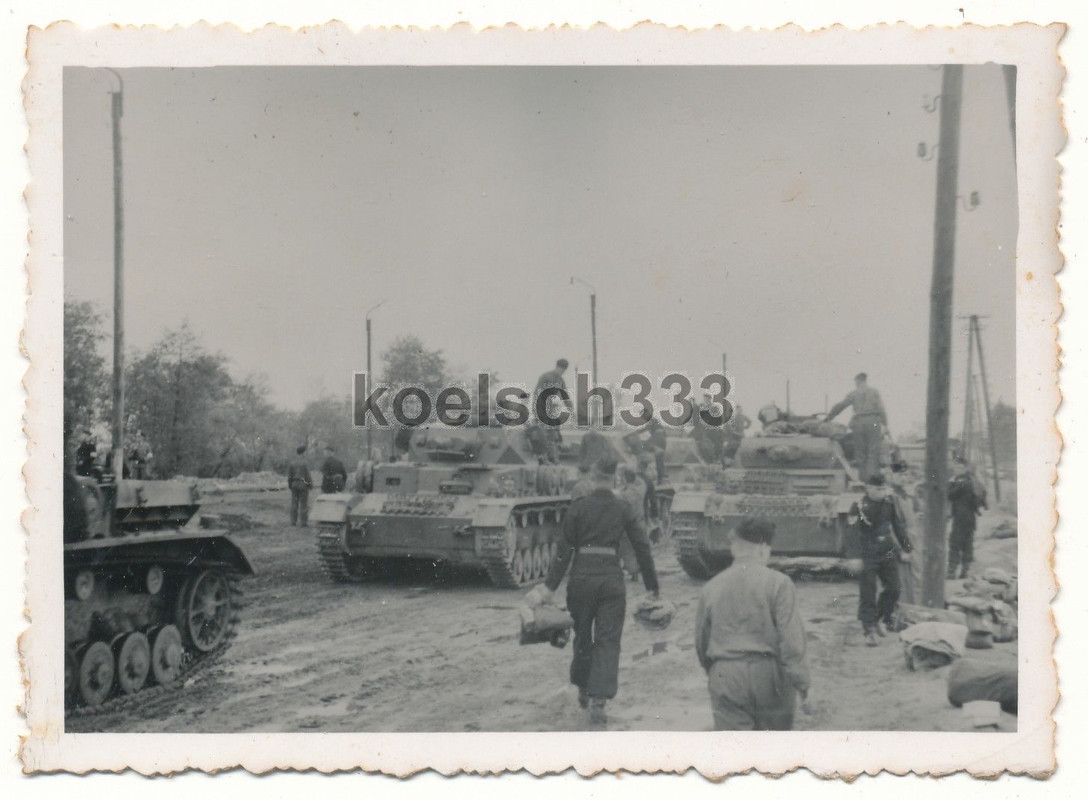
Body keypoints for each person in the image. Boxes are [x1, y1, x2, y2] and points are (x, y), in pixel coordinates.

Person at [528, 455, 660, 725]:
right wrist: (652, 588)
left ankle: (582, 689)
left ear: (592, 477)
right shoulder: (624, 508)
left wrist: (549, 588)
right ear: (614, 480)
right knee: (608, 639)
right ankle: (600, 699)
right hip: (611, 579)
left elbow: (563, 553)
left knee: (582, 636)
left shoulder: (578, 508)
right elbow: (643, 548)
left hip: (581, 579)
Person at [694, 516, 811, 731]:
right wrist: (803, 684)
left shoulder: (712, 586)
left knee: (736, 756)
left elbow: (701, 641)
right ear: (763, 548)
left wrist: (716, 672)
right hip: (770, 677)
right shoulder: (779, 583)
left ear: (734, 549)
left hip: (725, 673)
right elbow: (791, 641)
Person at [849, 474, 914, 646]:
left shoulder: (889, 503)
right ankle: (868, 629)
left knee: (894, 588)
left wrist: (907, 548)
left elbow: (898, 526)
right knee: (868, 592)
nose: (882, 492)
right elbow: (852, 533)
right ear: (868, 488)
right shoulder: (858, 506)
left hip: (887, 550)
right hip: (867, 551)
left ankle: (878, 618)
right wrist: (854, 557)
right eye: (878, 489)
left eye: (884, 488)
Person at [826, 372, 888, 481]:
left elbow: (841, 406)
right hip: (873, 421)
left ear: (858, 381)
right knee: (873, 451)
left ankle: (862, 481)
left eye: (856, 381)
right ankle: (872, 481)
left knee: (860, 453)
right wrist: (885, 424)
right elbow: (881, 409)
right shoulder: (874, 392)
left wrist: (829, 418)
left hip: (858, 422)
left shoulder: (854, 393)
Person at [947, 457, 987, 579]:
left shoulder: (961, 481)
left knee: (955, 543)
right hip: (970, 518)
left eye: (957, 466)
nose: (955, 469)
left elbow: (950, 494)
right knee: (967, 544)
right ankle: (965, 569)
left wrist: (950, 482)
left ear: (963, 468)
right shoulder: (972, 480)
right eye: (954, 466)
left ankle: (951, 571)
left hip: (960, 518)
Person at [287, 445, 313, 526]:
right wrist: (310, 485)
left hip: (294, 484)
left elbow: (289, 476)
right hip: (303, 484)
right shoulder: (305, 463)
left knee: (294, 503)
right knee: (304, 504)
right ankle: (303, 522)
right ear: (303, 453)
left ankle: (293, 521)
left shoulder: (292, 463)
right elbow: (308, 476)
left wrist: (290, 485)